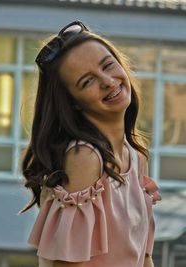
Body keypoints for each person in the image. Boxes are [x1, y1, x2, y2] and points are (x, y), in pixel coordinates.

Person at [21, 20, 161, 267]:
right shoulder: (84, 158)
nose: (107, 81)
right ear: (72, 102)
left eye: (108, 65)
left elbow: (144, 258)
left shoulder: (137, 157)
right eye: (87, 82)